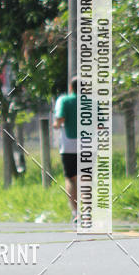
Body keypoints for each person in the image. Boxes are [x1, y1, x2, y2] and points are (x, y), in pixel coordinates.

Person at [53, 76, 78, 224]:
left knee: (71, 179)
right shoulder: (93, 102)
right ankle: (88, 212)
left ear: (70, 88)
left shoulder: (64, 100)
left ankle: (76, 213)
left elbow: (59, 120)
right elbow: (100, 124)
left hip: (69, 145)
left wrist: (56, 125)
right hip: (89, 144)